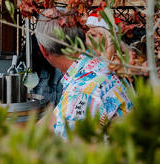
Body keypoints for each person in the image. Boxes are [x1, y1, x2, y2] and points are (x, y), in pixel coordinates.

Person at [35, 8, 133, 139]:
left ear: (43, 49)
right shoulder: (100, 65)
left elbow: (65, 152)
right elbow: (56, 117)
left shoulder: (80, 93)